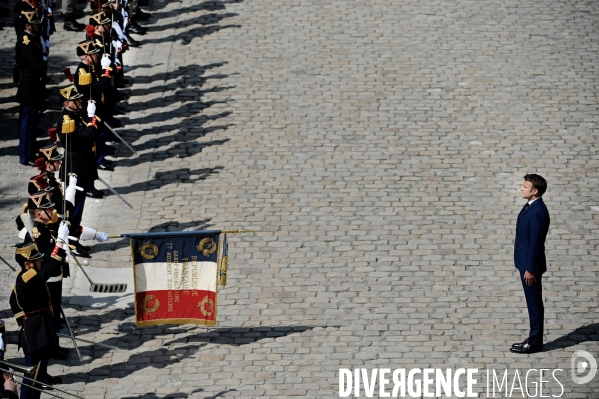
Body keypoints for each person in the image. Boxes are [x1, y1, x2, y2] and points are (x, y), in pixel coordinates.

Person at [10, 227, 68, 399]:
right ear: (27, 264)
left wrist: (23, 320)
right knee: (31, 376)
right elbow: (49, 269)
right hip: (34, 330)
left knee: (39, 372)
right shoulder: (28, 277)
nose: (40, 262)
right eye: (36, 260)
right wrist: (59, 243)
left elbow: (13, 301)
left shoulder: (28, 274)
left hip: (41, 325)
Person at [510, 174, 550, 354]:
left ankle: (534, 343)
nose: (521, 188)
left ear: (534, 191)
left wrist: (531, 270)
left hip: (530, 267)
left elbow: (536, 243)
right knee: (531, 302)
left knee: (534, 303)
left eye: (524, 187)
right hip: (525, 263)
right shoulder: (531, 206)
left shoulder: (538, 212)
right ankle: (534, 337)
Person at [14, 10, 46, 166]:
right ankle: (25, 156)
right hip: (28, 86)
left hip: (33, 84)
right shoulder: (26, 41)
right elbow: (36, 64)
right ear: (28, 25)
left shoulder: (33, 38)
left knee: (33, 122)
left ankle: (31, 150)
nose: (38, 26)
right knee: (27, 124)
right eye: (35, 24)